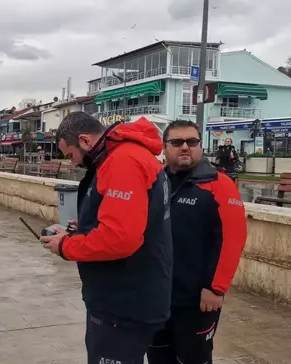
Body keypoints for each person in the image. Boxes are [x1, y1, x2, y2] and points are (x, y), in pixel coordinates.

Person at [40, 112, 172, 364]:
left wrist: (67, 245)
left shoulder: (122, 161)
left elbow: (120, 238)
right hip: (129, 295)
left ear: (85, 141)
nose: (74, 163)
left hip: (123, 302)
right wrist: (88, 225)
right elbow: (134, 217)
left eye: (71, 155)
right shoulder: (129, 156)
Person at [147, 120, 247, 364]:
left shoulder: (219, 185)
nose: (185, 147)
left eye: (192, 142)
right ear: (164, 147)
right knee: (158, 357)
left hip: (198, 300)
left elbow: (232, 239)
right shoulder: (154, 181)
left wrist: (216, 288)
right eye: (177, 142)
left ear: (200, 146)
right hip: (155, 295)